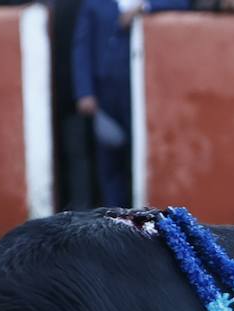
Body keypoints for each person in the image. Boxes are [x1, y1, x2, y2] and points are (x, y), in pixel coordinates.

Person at [72, 0, 189, 208]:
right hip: (107, 90)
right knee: (109, 156)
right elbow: (82, 47)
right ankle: (115, 214)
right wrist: (85, 91)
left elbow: (184, 3)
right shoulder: (95, 4)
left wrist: (144, 8)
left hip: (144, 91)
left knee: (143, 154)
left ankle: (140, 211)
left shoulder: (148, 3)